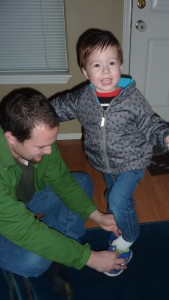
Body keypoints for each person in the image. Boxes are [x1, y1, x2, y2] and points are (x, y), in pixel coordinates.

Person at [51, 29, 169, 277]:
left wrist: (165, 136)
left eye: (112, 63)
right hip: (104, 163)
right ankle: (121, 224)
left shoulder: (131, 98)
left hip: (133, 161)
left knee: (117, 200)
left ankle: (128, 239)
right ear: (85, 72)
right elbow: (58, 107)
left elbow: (149, 122)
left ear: (120, 64)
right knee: (113, 193)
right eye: (97, 65)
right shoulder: (82, 98)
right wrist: (35, 115)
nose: (106, 71)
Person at [0, 87, 127, 297]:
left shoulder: (41, 145)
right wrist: (91, 259)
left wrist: (97, 216)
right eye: (41, 146)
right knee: (35, 260)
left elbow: (63, 183)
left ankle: (59, 251)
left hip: (21, 202)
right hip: (5, 222)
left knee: (81, 182)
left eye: (51, 142)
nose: (49, 151)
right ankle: (56, 253)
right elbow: (27, 231)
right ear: (11, 138)